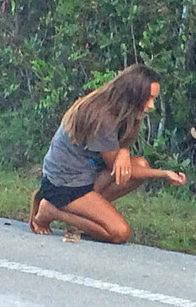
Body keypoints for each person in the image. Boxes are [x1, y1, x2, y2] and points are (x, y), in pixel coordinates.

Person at [28, 63, 187, 243]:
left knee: (141, 164)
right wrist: (164, 174)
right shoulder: (103, 118)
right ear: (133, 94)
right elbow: (116, 169)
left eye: (154, 99)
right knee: (120, 233)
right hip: (65, 185)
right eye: (148, 98)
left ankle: (84, 217)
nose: (151, 105)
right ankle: (51, 210)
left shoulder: (121, 109)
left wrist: (124, 151)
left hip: (85, 175)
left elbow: (120, 152)